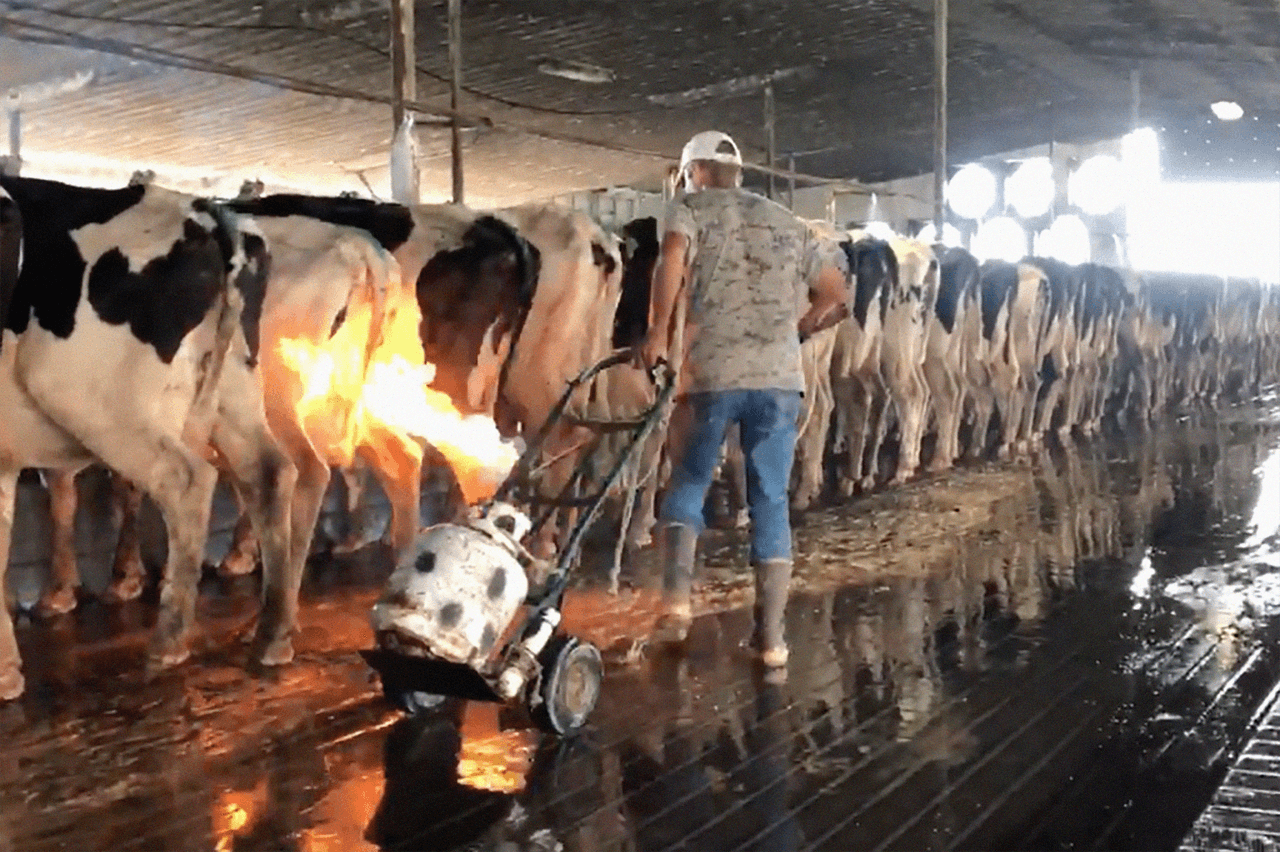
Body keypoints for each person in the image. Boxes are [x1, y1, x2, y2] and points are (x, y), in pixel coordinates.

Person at [637, 130, 851, 668]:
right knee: (770, 500)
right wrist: (793, 333)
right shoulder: (788, 222)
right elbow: (836, 297)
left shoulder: (687, 208)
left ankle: (677, 606)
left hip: (710, 372)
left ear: (694, 172)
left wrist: (658, 335)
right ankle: (772, 641)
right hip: (779, 381)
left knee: (687, 480)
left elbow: (671, 266)